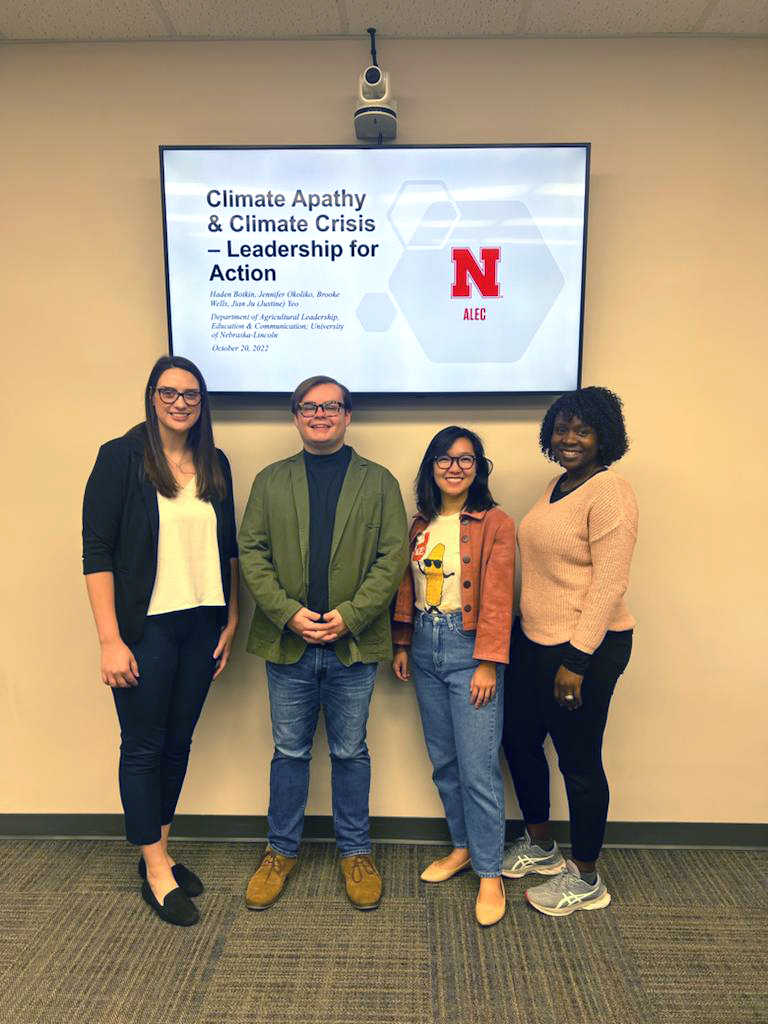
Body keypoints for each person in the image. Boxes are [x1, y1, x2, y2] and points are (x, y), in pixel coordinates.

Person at [239, 375, 408, 912]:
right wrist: (289, 615)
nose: (320, 414)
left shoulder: (378, 481)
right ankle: (280, 850)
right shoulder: (270, 480)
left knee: (349, 752)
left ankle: (355, 851)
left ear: (347, 415)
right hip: (288, 644)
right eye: (309, 407)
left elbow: (392, 558)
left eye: (330, 406)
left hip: (350, 646)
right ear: (295, 416)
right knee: (288, 751)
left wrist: (351, 616)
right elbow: (252, 552)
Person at [82, 356, 239, 927]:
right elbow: (96, 551)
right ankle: (153, 867)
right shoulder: (119, 457)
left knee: (178, 744)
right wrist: (109, 639)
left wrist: (232, 616)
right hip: (144, 629)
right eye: (169, 392)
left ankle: (161, 851)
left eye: (191, 394)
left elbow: (228, 549)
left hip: (201, 623)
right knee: (145, 746)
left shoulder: (214, 462)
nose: (180, 402)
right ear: (151, 396)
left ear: (202, 402)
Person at [501, 386, 637, 916]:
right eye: (562, 428)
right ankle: (541, 846)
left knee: (579, 762)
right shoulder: (557, 485)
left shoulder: (610, 490)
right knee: (518, 741)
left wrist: (576, 662)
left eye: (583, 429)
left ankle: (585, 878)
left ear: (605, 435)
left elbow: (609, 582)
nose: (570, 438)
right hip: (536, 641)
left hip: (587, 649)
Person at [392, 427, 515, 927]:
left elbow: (500, 595)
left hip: (470, 650)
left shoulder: (495, 523)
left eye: (466, 459)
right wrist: (402, 643)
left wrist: (488, 661)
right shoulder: (420, 523)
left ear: (479, 468)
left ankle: (490, 872)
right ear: (431, 467)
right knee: (443, 761)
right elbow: (407, 584)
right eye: (445, 458)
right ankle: (462, 848)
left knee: (478, 768)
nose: (455, 467)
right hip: (424, 645)